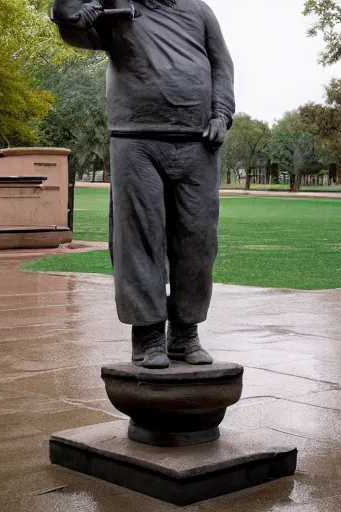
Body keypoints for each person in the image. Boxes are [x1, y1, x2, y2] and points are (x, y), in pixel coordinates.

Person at [51, 0, 235, 369]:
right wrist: (75, 17)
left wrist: (221, 112)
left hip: (198, 140)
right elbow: (72, 23)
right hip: (135, 140)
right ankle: (148, 335)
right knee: (138, 238)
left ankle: (185, 333)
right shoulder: (115, 7)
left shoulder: (199, 11)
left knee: (198, 241)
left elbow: (221, 66)